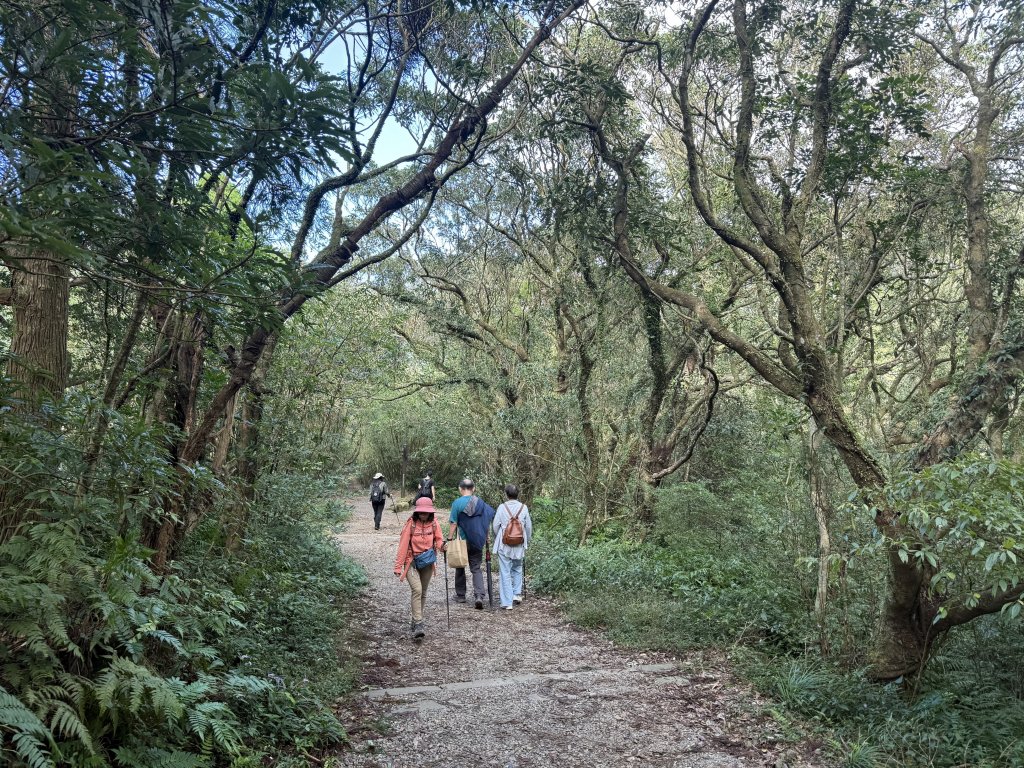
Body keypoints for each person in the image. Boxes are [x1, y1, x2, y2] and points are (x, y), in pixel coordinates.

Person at [394, 496, 446, 638]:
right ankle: (418, 623)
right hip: (411, 561)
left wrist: (442, 546)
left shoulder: (434, 523)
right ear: (417, 511)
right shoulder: (410, 524)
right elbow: (403, 545)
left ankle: (415, 619)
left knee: (423, 592)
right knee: (417, 589)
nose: (423, 514)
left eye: (426, 512)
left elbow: (439, 539)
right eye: (421, 512)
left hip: (427, 561)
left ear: (430, 512)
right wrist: (398, 566)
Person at [447, 478, 495, 609]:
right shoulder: (481, 503)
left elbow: (453, 523)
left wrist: (449, 539)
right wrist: (487, 537)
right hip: (478, 540)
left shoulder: (457, 503)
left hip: (462, 540)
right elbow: (485, 522)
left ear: (460, 489)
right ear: (473, 489)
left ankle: (461, 596)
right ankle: (479, 595)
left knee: (460, 565)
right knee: (476, 568)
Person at [491, 483, 532, 611]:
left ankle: (507, 602)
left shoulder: (502, 507)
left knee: (505, 571)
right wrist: (527, 540)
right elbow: (528, 527)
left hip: (505, 544)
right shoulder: (524, 508)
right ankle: (516, 594)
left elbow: (495, 526)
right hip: (519, 543)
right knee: (518, 567)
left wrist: (501, 536)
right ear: (517, 494)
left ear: (506, 494)